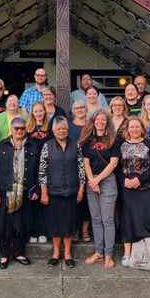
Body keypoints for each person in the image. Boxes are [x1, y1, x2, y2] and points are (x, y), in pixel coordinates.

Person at [0, 117, 40, 269]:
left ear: (26, 129)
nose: (19, 131)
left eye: (22, 128)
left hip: (25, 192)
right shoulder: (2, 146)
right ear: (11, 129)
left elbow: (39, 170)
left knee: (21, 224)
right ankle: (4, 255)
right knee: (4, 226)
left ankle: (18, 253)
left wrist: (36, 189)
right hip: (6, 192)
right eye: (16, 128)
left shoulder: (32, 146)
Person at [39, 117, 85, 268]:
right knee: (55, 224)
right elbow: (42, 171)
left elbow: (81, 169)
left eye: (64, 128)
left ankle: (68, 253)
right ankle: (56, 253)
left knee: (69, 225)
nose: (61, 131)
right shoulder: (48, 145)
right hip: (53, 192)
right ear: (53, 130)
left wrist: (81, 189)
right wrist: (44, 192)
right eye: (58, 128)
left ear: (67, 130)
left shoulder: (76, 145)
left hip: (72, 191)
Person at [117, 116, 150, 267]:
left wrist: (139, 180)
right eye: (132, 127)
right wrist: (124, 181)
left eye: (137, 126)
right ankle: (127, 253)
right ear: (127, 129)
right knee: (127, 218)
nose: (134, 129)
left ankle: (147, 254)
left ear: (142, 128)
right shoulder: (121, 144)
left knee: (146, 218)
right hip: (127, 187)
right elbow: (116, 166)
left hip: (146, 187)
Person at [80, 110, 119, 269]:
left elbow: (113, 163)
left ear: (107, 122)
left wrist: (97, 179)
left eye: (103, 119)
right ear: (93, 121)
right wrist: (92, 180)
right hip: (92, 181)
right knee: (95, 219)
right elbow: (86, 162)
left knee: (107, 220)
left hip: (107, 181)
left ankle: (108, 254)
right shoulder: (88, 140)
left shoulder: (113, 139)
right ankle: (99, 252)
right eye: (98, 119)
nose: (101, 122)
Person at [26, 102, 51, 244]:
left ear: (44, 112)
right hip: (32, 167)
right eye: (36, 111)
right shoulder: (28, 129)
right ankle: (33, 231)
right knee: (33, 200)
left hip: (47, 167)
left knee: (44, 199)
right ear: (33, 113)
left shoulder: (49, 128)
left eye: (41, 111)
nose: (39, 113)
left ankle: (43, 231)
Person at [68, 100, 91, 242]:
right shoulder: (69, 127)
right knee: (75, 199)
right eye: (77, 108)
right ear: (73, 111)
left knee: (87, 200)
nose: (80, 110)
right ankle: (74, 230)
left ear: (86, 109)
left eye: (82, 107)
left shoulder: (91, 125)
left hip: (89, 165)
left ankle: (85, 231)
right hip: (72, 166)